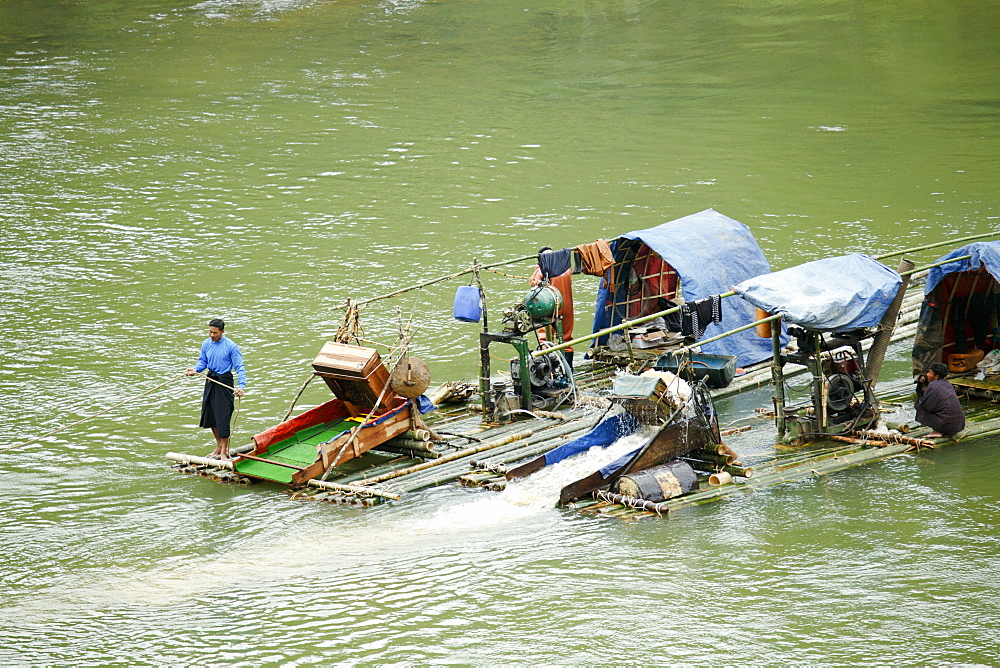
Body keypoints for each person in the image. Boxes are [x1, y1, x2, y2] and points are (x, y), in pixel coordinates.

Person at [185, 318, 246, 459]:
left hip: (224, 381)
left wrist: (241, 386)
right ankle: (218, 446)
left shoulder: (231, 346)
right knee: (210, 414)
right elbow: (203, 362)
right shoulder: (206, 344)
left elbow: (240, 367)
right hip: (210, 379)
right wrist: (195, 369)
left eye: (215, 333)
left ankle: (224, 451)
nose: (212, 335)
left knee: (223, 416)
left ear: (222, 332)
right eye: (210, 332)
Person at [914, 362, 965, 438]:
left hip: (947, 425)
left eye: (930, 373)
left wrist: (919, 403)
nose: (927, 375)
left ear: (936, 376)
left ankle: (938, 430)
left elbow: (927, 406)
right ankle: (941, 428)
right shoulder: (947, 383)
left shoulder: (933, 386)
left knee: (920, 406)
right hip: (959, 424)